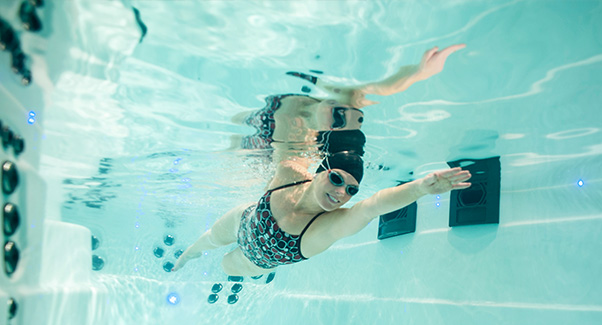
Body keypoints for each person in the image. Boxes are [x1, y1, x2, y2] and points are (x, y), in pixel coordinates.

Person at [172, 152, 472, 277]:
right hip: (243, 219)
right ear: (318, 173)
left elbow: (374, 205)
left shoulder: (327, 227)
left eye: (351, 190)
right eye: (337, 180)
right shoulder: (291, 171)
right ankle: (186, 256)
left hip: (256, 261)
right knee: (210, 238)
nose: (342, 193)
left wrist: (420, 187)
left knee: (226, 266)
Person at [228, 44, 466, 152]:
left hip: (258, 147)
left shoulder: (299, 141)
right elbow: (382, 87)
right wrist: (419, 73)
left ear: (326, 133)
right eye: (354, 111)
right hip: (250, 118)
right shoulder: (338, 98)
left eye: (341, 118)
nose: (346, 108)